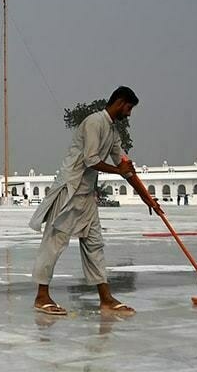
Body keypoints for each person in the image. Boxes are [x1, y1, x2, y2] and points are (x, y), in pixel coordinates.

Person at [28, 86, 140, 316]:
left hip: (87, 195)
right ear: (119, 102)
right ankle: (41, 296)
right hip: (70, 190)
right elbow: (91, 160)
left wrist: (149, 200)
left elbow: (125, 167)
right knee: (54, 243)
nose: (129, 114)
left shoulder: (112, 132)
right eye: (128, 108)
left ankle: (106, 298)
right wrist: (119, 171)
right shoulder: (94, 122)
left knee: (94, 244)